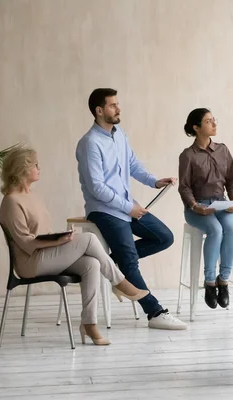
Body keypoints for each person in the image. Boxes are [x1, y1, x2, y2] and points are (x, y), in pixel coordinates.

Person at [0, 148, 149, 345]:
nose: (39, 168)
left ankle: (89, 324)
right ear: (23, 169)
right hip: (30, 262)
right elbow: (26, 243)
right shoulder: (11, 201)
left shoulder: (32, 196)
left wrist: (59, 238)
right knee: (88, 239)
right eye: (35, 165)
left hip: (46, 254)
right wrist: (58, 241)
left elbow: (42, 232)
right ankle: (119, 283)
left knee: (92, 264)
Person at [76, 88, 187, 330]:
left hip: (126, 207)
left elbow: (133, 164)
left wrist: (154, 181)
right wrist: (128, 208)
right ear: (99, 111)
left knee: (164, 237)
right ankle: (155, 312)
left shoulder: (119, 135)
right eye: (113, 105)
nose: (118, 108)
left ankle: (112, 265)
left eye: (117, 104)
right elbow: (97, 188)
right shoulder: (89, 143)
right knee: (130, 262)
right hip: (104, 210)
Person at [178, 108, 233, 309]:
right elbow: (184, 187)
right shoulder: (188, 155)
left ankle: (224, 281)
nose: (214, 124)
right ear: (196, 128)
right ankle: (210, 282)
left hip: (221, 203)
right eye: (208, 121)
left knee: (231, 229)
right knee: (216, 230)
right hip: (197, 207)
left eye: (214, 120)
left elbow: (231, 180)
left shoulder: (223, 150)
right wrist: (196, 206)